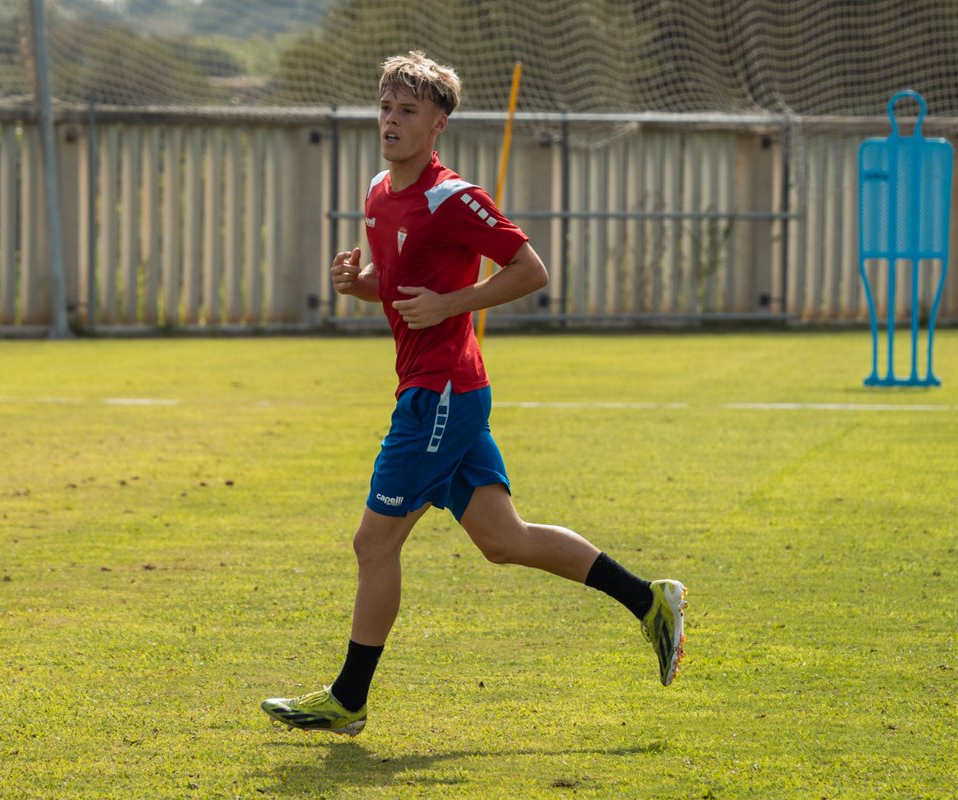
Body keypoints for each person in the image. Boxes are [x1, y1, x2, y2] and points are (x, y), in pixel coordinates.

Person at [260, 52, 686, 737]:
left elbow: (530, 269)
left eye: (407, 111)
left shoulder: (452, 197)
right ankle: (650, 603)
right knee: (502, 539)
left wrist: (453, 302)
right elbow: (397, 283)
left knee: (374, 543)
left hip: (442, 394)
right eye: (386, 108)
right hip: (439, 390)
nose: (391, 121)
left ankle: (348, 698)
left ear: (439, 125)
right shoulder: (378, 190)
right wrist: (359, 283)